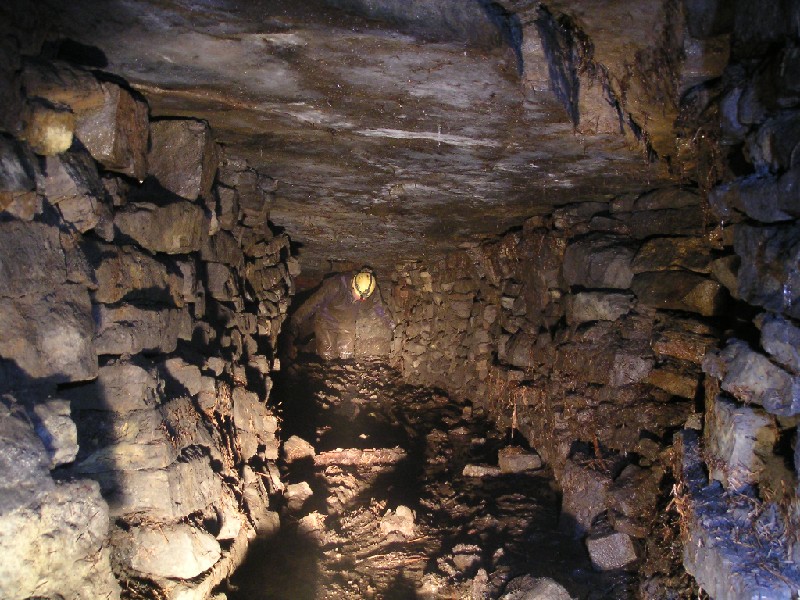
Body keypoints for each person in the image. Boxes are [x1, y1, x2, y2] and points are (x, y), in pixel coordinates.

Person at [288, 267, 394, 360]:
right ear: (353, 284)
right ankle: (307, 347)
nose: (359, 299)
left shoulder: (371, 291)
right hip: (326, 320)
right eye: (357, 295)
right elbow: (314, 302)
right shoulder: (336, 284)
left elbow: (380, 307)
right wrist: (296, 319)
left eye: (363, 298)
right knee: (327, 355)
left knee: (346, 355)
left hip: (346, 324)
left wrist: (391, 324)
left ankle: (313, 344)